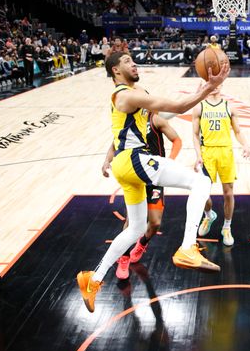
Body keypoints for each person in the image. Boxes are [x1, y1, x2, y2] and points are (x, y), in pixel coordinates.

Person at [76, 51, 230, 313]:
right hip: (135, 160)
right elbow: (178, 107)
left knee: (135, 229)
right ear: (115, 71)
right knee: (201, 183)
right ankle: (187, 247)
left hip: (124, 168)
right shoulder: (124, 94)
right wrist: (209, 88)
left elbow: (164, 115)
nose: (133, 63)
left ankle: (94, 279)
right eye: (126, 62)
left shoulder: (133, 96)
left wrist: (203, 89)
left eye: (132, 60)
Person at [102, 112, 183, 280]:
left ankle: (142, 244)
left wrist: (170, 161)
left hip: (154, 175)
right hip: (135, 175)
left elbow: (177, 140)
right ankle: (123, 258)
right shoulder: (128, 123)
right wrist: (106, 161)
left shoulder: (156, 120)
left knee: (155, 223)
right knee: (130, 222)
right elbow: (115, 143)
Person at [193, 84, 250, 246]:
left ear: (222, 85)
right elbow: (195, 134)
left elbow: (238, 131)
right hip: (207, 153)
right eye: (210, 84)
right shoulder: (199, 107)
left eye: (217, 84)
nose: (214, 87)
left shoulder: (229, 107)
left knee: (228, 192)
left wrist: (245, 145)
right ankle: (208, 215)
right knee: (203, 192)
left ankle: (227, 227)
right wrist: (198, 155)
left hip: (226, 152)